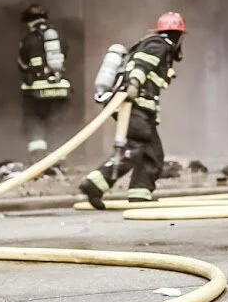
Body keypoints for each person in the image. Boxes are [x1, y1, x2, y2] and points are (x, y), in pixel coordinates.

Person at [79, 12, 185, 209]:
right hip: (133, 104)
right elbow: (140, 65)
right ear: (177, 35)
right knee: (134, 146)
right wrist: (134, 83)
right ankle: (95, 184)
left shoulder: (159, 47)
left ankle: (140, 194)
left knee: (152, 153)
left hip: (139, 106)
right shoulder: (158, 45)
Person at [18, 4, 71, 162]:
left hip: (36, 91)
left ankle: (39, 160)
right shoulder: (60, 37)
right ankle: (58, 160)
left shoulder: (28, 40)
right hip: (61, 89)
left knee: (35, 122)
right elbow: (65, 56)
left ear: (29, 22)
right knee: (56, 125)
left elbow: (22, 64)